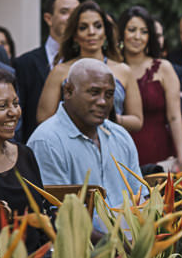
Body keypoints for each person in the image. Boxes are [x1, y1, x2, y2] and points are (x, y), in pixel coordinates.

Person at [28, 58, 143, 233]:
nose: (103, 102)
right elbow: (60, 217)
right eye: (94, 92)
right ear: (68, 91)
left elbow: (140, 199)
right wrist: (114, 246)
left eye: (109, 94)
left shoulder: (121, 136)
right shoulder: (47, 141)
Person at [35, 0, 143, 133]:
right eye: (83, 27)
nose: (91, 32)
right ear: (74, 35)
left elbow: (137, 121)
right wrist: (77, 120)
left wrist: (111, 118)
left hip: (112, 143)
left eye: (98, 26)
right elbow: (43, 118)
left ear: (105, 33)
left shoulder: (123, 70)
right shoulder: (60, 71)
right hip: (70, 144)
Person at [118, 6, 182, 171]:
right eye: (132, 30)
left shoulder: (163, 68)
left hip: (157, 150)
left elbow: (174, 117)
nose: (137, 36)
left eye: (143, 32)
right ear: (121, 33)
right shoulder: (111, 68)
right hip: (120, 151)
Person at [13, 0, 80, 141]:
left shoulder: (85, 62)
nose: (72, 18)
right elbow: (18, 117)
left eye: (76, 13)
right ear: (48, 18)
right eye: (64, 12)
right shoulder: (24, 63)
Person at [0, 67, 49, 253]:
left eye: (16, 103)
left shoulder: (25, 154)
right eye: (2, 107)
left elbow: (43, 215)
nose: (13, 113)